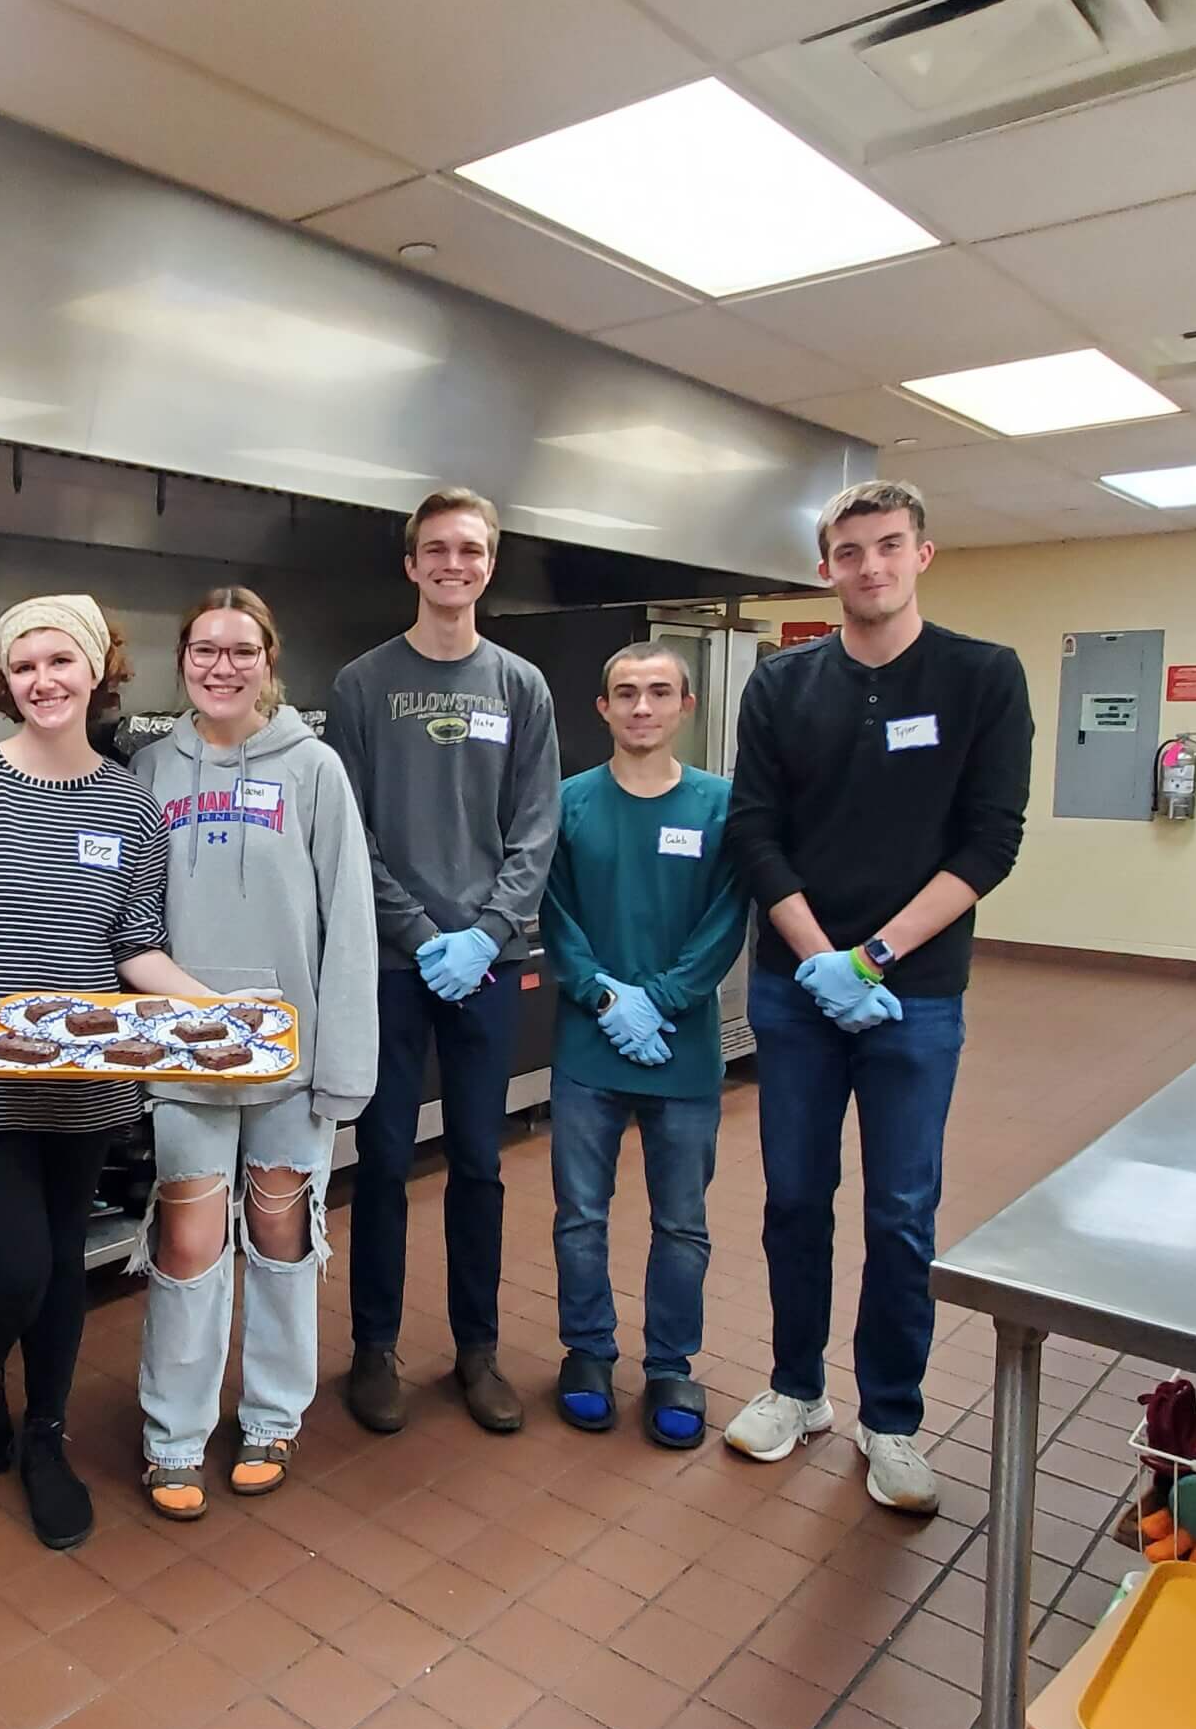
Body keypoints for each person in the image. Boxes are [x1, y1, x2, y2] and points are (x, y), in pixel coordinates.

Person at [722, 480, 1032, 1516]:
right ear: (826, 568)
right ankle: (795, 1388)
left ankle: (891, 1419)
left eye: (889, 546)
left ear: (922, 554)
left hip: (917, 994)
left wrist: (876, 959)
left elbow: (990, 841)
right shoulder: (781, 684)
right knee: (794, 1198)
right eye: (850, 552)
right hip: (795, 989)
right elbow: (754, 830)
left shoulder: (982, 676)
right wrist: (821, 961)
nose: (870, 567)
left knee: (901, 1212)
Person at [0, 595, 213, 1549]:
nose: (43, 681)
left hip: (88, 1080)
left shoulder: (130, 803)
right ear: (4, 681)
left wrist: (213, 1007)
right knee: (21, 1259)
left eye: (60, 660)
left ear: (97, 669)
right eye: (23, 666)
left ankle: (46, 1437)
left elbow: (135, 945)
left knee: (64, 1262)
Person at [127, 589, 377, 1518]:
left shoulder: (313, 769)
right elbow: (131, 922)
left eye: (241, 650)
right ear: (182, 659)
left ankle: (272, 1416)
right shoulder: (152, 769)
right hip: (184, 1057)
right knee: (189, 1241)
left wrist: (343, 1066)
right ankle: (174, 1433)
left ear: (269, 661)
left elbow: (348, 920)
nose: (221, 667)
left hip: (288, 1058)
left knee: (280, 1232)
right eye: (204, 649)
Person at [326, 486, 561, 1435]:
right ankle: (373, 1349)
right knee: (382, 1159)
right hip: (391, 966)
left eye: (469, 550)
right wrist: (423, 938)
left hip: (487, 968)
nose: (452, 564)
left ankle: (477, 1350)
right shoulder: (362, 684)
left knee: (478, 1160)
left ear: (488, 566)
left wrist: (487, 935)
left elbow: (537, 827)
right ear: (412, 564)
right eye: (436, 549)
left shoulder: (521, 686)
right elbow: (350, 833)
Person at [541, 645, 747, 1449]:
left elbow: (727, 917)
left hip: (681, 1051)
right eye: (625, 693)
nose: (641, 707)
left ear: (685, 706)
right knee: (579, 1216)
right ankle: (588, 1352)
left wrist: (659, 1001)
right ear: (602, 708)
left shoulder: (719, 806)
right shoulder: (570, 803)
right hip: (588, 1046)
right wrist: (602, 996)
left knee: (683, 1222)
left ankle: (670, 1365)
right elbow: (553, 911)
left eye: (659, 693)